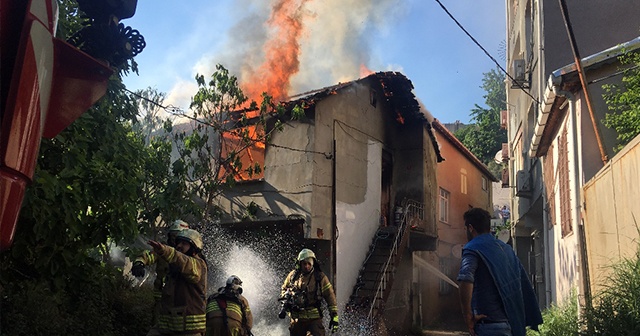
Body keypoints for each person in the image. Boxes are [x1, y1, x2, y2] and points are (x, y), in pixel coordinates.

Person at [457, 208, 542, 336]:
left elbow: (465, 278)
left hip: (488, 326)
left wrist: (467, 315)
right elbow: (522, 282)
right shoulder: (506, 249)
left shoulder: (472, 248)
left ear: (470, 228)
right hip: (512, 324)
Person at [148, 228, 208, 336]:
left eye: (184, 243)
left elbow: (182, 261)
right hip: (168, 327)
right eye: (178, 242)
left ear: (194, 248)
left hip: (190, 331)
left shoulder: (197, 265)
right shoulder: (175, 268)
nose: (179, 246)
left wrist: (164, 250)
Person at [132, 220, 190, 328]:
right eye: (173, 235)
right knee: (158, 327)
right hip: (162, 300)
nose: (175, 239)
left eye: (178, 236)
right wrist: (139, 263)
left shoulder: (191, 256)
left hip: (182, 302)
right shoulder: (162, 250)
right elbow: (148, 255)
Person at [280, 248, 338, 336]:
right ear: (299, 263)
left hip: (314, 319)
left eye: (309, 264)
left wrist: (334, 316)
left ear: (313, 263)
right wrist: (286, 297)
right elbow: (284, 288)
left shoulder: (320, 277)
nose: (306, 266)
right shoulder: (293, 276)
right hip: (297, 319)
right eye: (304, 263)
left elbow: (330, 296)